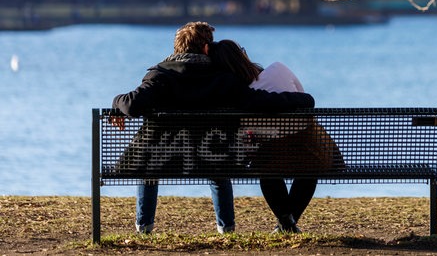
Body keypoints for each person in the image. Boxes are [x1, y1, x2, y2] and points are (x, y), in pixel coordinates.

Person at [111, 22, 314, 235]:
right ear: (207, 48)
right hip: (215, 159)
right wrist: (302, 99)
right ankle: (226, 228)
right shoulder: (224, 79)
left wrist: (116, 102)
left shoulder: (160, 75)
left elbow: (132, 105)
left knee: (149, 164)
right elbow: (260, 101)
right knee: (218, 162)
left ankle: (144, 228)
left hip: (164, 158)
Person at [208, 39, 322, 234]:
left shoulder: (238, 95)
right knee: (309, 166)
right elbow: (305, 97)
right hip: (309, 152)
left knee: (265, 165)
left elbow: (246, 139)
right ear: (241, 56)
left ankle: (286, 222)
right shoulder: (277, 69)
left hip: (269, 157)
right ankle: (287, 224)